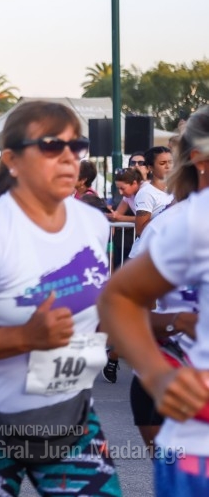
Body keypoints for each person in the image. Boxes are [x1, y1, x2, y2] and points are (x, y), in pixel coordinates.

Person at [0, 101, 121, 495]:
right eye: (51, 146)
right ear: (13, 159)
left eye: (76, 146)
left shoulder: (94, 223)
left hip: (69, 415)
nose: (69, 158)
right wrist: (26, 337)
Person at [97, 107, 209, 496]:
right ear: (200, 159)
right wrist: (159, 369)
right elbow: (117, 301)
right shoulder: (184, 223)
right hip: (194, 426)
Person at [134, 146, 174, 236]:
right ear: (150, 167)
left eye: (170, 162)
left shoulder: (177, 190)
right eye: (162, 163)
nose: (168, 166)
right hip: (147, 248)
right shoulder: (146, 193)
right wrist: (169, 211)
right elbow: (140, 231)